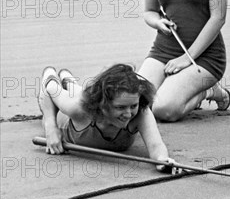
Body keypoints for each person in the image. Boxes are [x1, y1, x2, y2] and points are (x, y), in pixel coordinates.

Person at [37, 64, 176, 173]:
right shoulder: (78, 108)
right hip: (65, 117)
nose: (128, 114)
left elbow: (156, 146)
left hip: (83, 97)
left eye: (133, 105)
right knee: (71, 93)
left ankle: (69, 80)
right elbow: (50, 90)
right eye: (120, 108)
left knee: (78, 91)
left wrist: (163, 161)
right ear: (103, 104)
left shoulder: (141, 112)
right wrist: (51, 128)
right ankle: (52, 74)